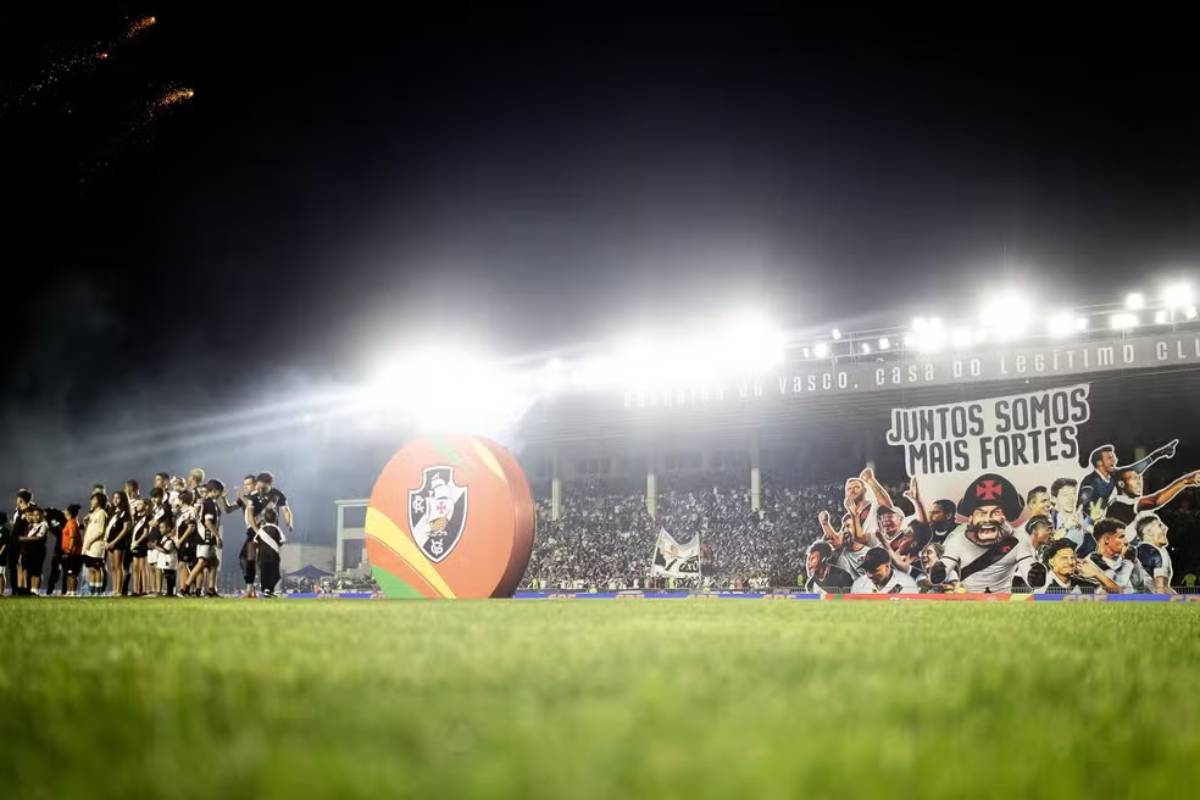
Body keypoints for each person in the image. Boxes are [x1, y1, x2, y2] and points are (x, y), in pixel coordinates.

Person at [929, 473, 1035, 593]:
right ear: (971, 518)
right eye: (981, 513)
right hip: (970, 602)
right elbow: (945, 566)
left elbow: (1028, 568)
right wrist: (939, 571)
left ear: (1004, 517)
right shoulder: (958, 541)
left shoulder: (1018, 540)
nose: (988, 519)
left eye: (995, 513)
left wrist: (1035, 574)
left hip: (1004, 601)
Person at [1078, 440, 1178, 513]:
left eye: (1114, 457)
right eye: (1110, 458)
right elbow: (1082, 506)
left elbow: (1135, 469)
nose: (1115, 460)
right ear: (1099, 463)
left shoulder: (1113, 474)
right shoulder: (1090, 482)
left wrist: (1159, 453)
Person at [1087, 518, 1146, 593]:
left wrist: (1134, 561)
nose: (1126, 541)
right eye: (1121, 537)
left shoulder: (1126, 558)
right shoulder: (1090, 564)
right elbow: (1116, 590)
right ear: (1107, 539)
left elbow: (1139, 586)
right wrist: (1127, 562)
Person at [1041, 539, 1117, 593]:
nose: (1071, 562)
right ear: (1051, 561)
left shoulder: (1076, 580)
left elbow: (1119, 595)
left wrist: (1097, 574)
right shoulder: (1045, 588)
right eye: (1064, 558)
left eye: (1072, 557)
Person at [246, 504, 286, 597]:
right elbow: (283, 540)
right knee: (275, 574)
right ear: (276, 518)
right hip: (274, 557)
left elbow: (255, 540)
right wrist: (277, 545)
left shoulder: (261, 529)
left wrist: (260, 546)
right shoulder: (277, 529)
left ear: (264, 519)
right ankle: (269, 590)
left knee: (264, 574)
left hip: (262, 557)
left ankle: (267, 590)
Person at [1132, 514, 1174, 594]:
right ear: (1148, 531)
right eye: (1159, 525)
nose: (1165, 528)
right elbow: (1161, 588)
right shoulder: (1154, 552)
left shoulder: (1141, 550)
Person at [850, 546, 919, 593]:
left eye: (874, 570)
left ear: (887, 567)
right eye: (866, 570)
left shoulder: (905, 584)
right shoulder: (860, 585)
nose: (869, 575)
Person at [81, 493, 108, 595]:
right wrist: (85, 522)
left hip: (96, 544)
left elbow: (101, 531)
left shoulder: (102, 513)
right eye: (91, 499)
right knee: (90, 568)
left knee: (97, 568)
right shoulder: (92, 513)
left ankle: (98, 591)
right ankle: (91, 590)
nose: (92, 501)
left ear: (100, 501)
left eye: (94, 499)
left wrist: (90, 541)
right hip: (88, 545)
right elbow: (90, 529)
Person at [18, 505, 49, 594]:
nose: (35, 517)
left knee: (37, 571)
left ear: (42, 515)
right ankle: (31, 590)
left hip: (38, 551)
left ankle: (35, 590)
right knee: (31, 571)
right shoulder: (31, 525)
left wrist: (24, 539)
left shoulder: (44, 524)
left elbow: (38, 537)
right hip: (30, 551)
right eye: (34, 515)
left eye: (38, 515)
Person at [129, 500, 152, 596]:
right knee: (135, 567)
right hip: (134, 544)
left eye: (139, 504)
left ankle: (145, 589)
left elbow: (145, 533)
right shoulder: (135, 517)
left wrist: (137, 542)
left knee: (143, 567)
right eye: (136, 504)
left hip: (142, 544)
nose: (137, 506)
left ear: (145, 506)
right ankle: (136, 590)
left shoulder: (147, 517)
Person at [60, 504, 83, 596]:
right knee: (69, 573)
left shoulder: (71, 523)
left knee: (72, 573)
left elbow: (73, 537)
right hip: (70, 552)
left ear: (69, 512)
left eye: (65, 510)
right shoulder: (71, 521)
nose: (63, 511)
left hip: (73, 552)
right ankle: (69, 591)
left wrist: (69, 550)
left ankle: (73, 591)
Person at [0, 511, 8, 596]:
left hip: (1, 557)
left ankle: (2, 592)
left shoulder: (5, 530)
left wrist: (0, 552)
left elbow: (5, 543)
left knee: (1, 574)